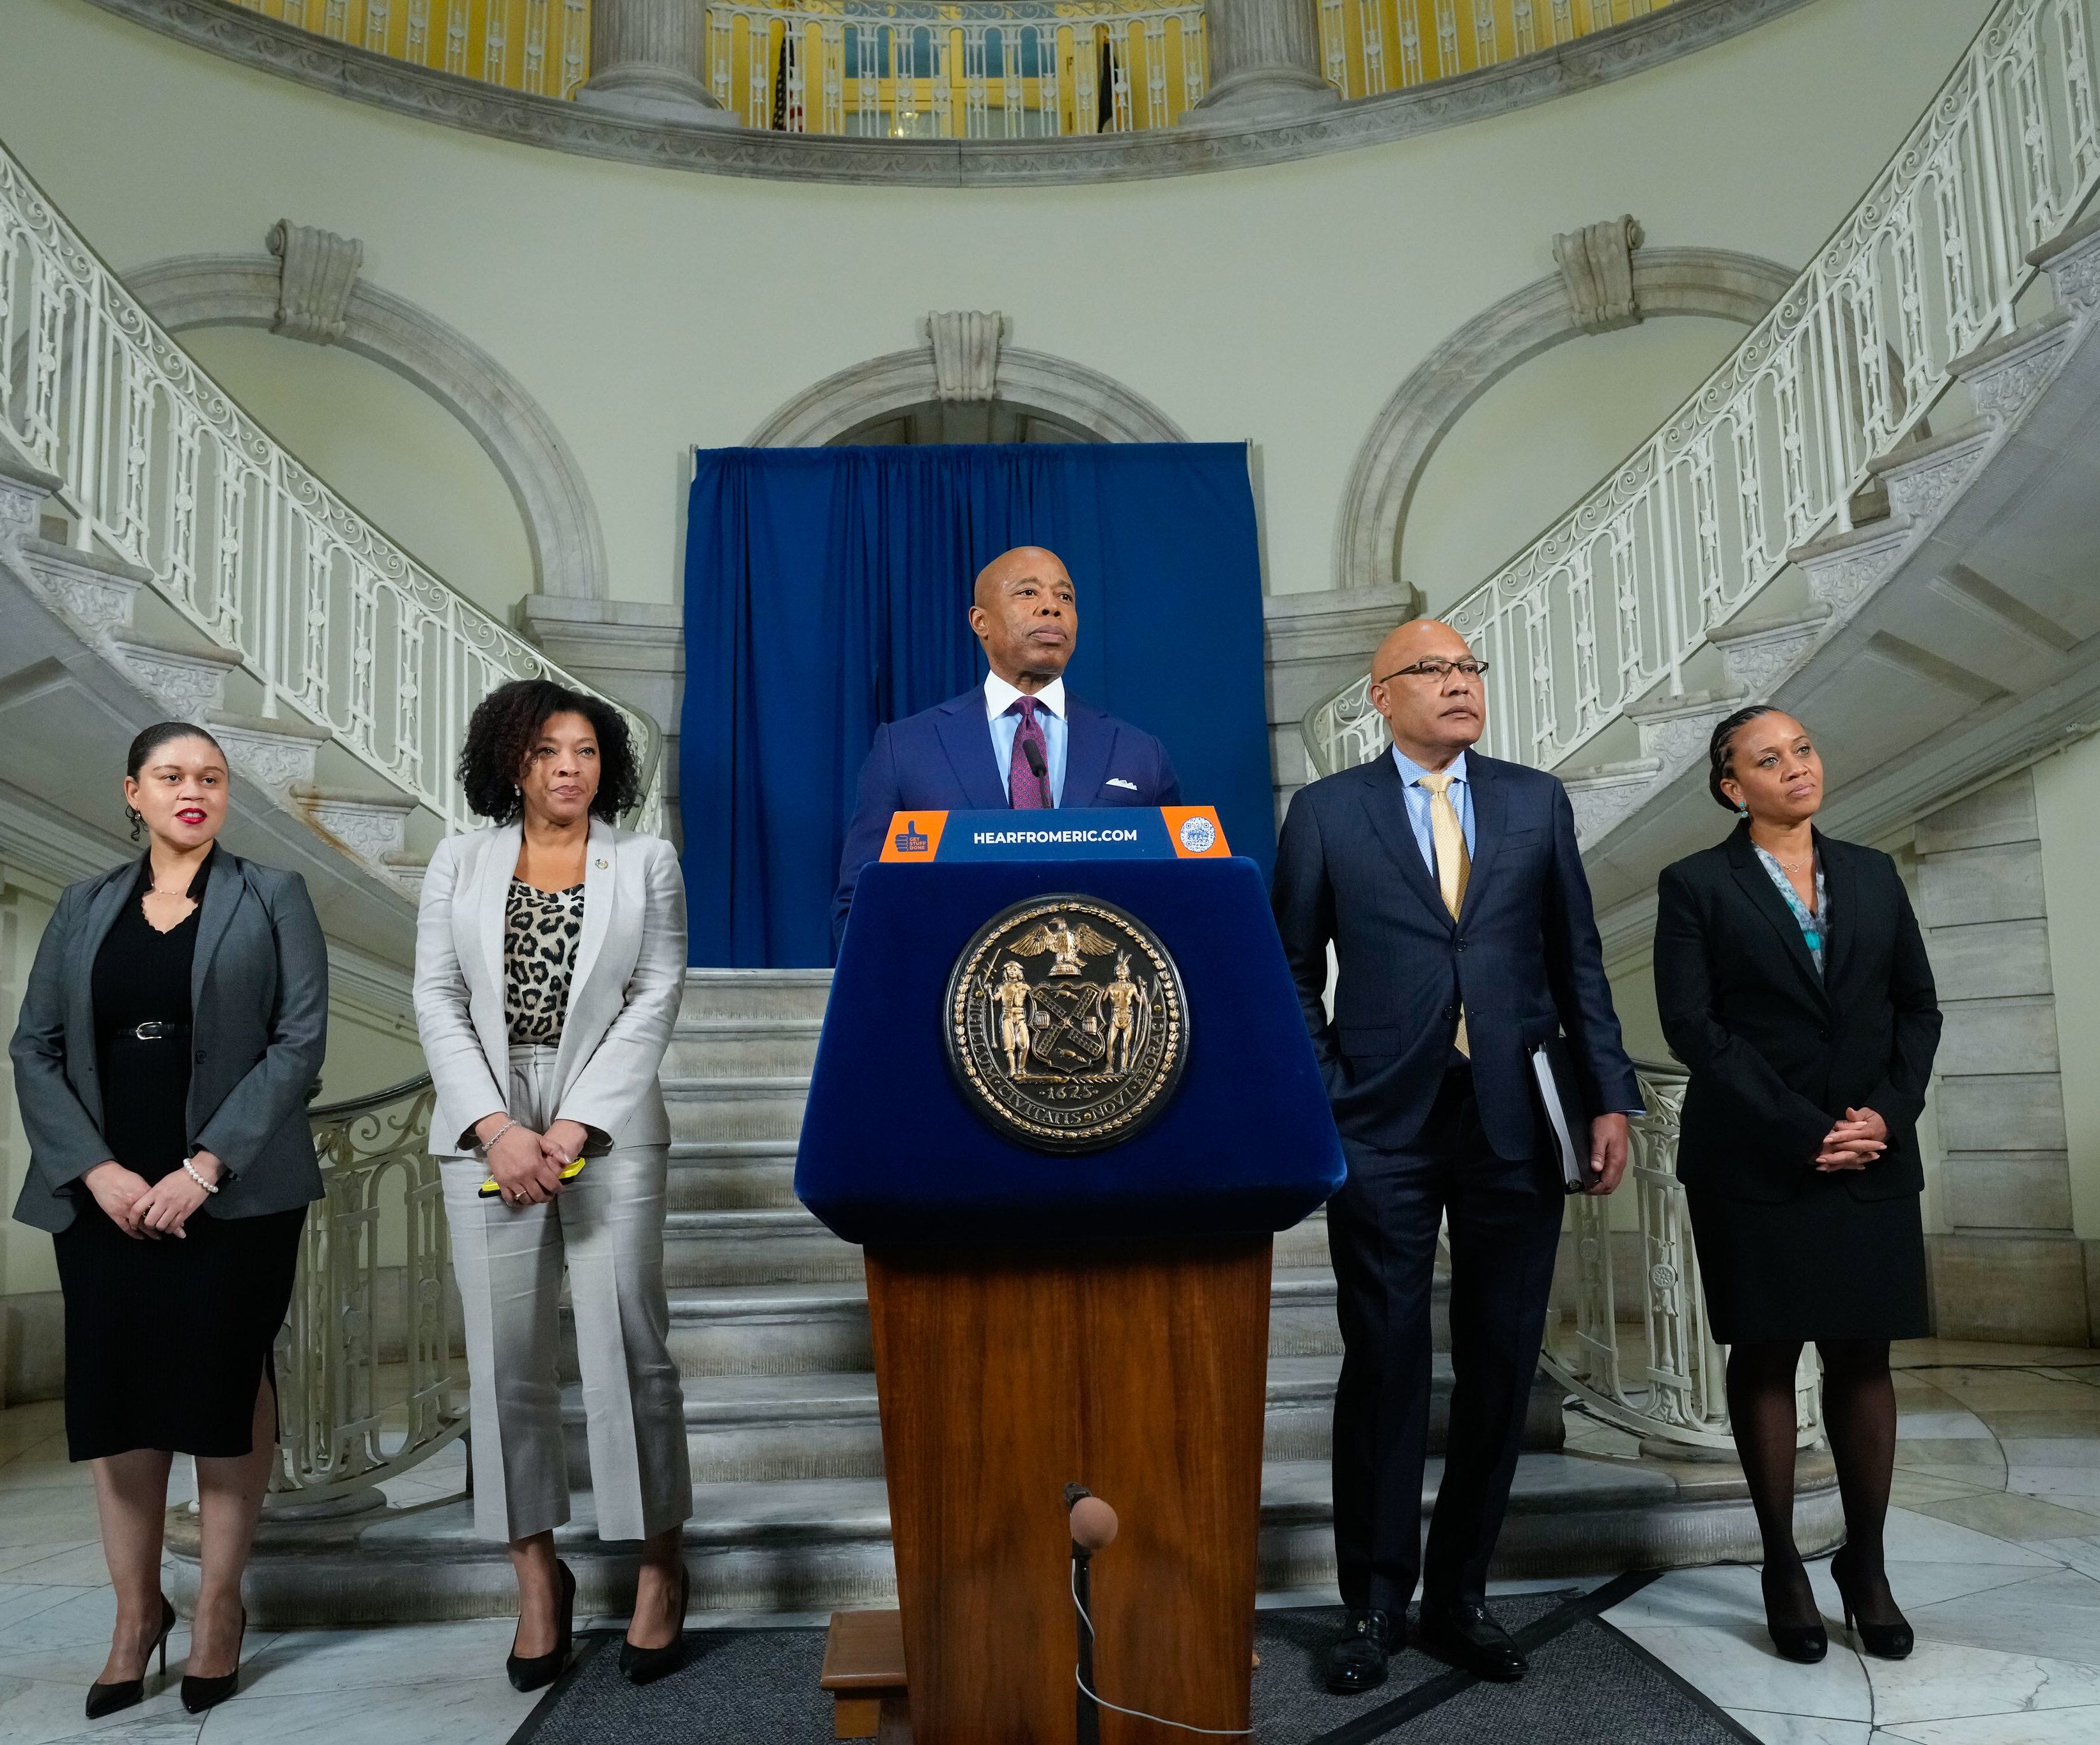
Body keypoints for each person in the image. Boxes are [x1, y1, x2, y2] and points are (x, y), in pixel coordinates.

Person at [1270, 619, 1640, 1695]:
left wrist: (1609, 1096)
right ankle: (1374, 1603)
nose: (1458, 683)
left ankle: (1459, 1596)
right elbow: (1289, 969)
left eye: (1469, 667)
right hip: (1380, 1123)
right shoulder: (1326, 813)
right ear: (1381, 697)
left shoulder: (1535, 801)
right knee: (1385, 1361)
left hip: (1515, 1117)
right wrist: (1332, 1090)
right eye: (1432, 669)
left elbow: (1577, 959)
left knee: (1500, 1362)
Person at [9, 721, 328, 1719]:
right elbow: (34, 1047)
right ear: (133, 792)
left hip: (234, 1189)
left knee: (226, 1387)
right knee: (118, 1399)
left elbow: (298, 1042)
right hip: (101, 1193)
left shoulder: (273, 894)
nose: (194, 790)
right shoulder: (82, 904)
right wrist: (97, 1171)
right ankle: (136, 1614)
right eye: (172, 775)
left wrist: (203, 1167)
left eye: (212, 777)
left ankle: (219, 1608)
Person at [413, 678, 693, 1689]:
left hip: (606, 1116)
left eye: (584, 750)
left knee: (630, 1345)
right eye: (546, 751)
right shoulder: (460, 859)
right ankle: (538, 1577)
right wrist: (496, 1128)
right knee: (506, 1362)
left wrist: (573, 1125)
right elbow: (437, 995)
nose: (568, 767)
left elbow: (655, 994)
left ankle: (660, 1565)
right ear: (512, 763)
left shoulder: (647, 861)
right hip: (486, 1120)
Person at [1653, 706, 1940, 1664]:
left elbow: (1917, 1008)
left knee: (1864, 1358)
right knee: (1767, 1354)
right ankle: (1782, 1565)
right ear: (1731, 787)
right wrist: (1800, 1128)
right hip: (1755, 1158)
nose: (1796, 767)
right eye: (1768, 759)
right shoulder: (1696, 884)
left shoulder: (1873, 872)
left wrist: (1885, 1115)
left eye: (1804, 749)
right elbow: (1695, 1027)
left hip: (1871, 1151)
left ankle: (1867, 1565)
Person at [829, 545, 1180, 947]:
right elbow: (859, 905)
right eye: (1028, 593)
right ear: (981, 621)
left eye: (1065, 597)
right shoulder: (905, 750)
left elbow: (1176, 897)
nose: (1051, 607)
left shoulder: (1140, 754)